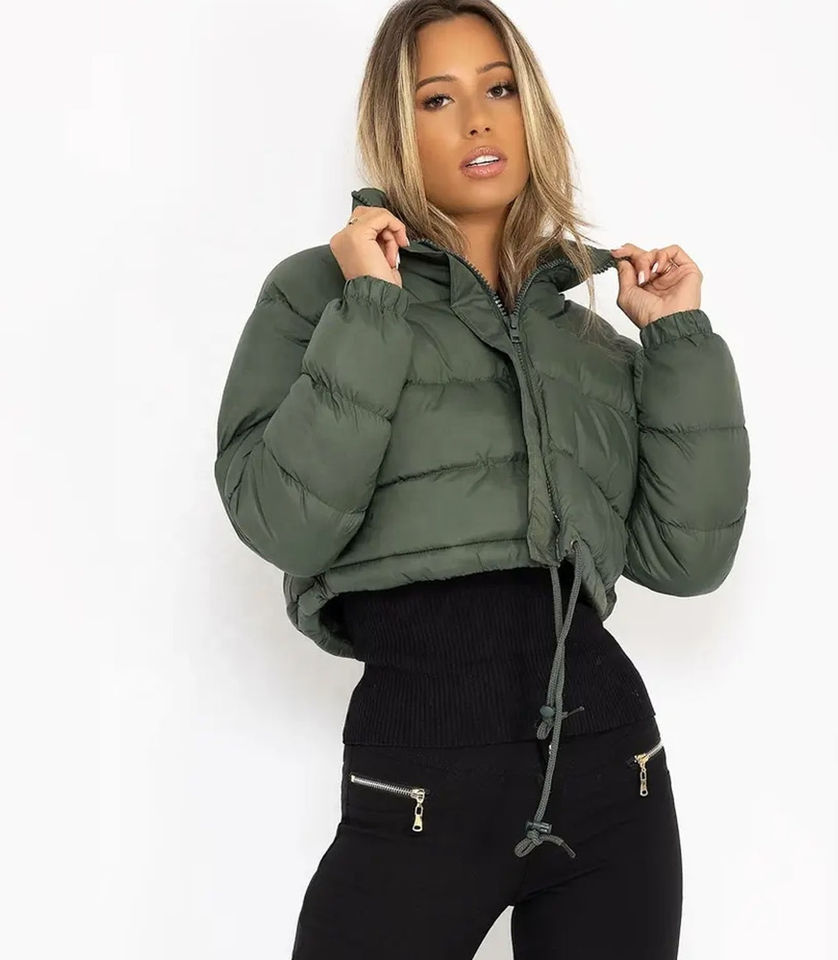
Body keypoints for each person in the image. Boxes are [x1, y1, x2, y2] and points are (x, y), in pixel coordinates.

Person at [213, 2, 750, 957]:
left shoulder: (584, 335)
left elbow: (686, 560)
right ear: (395, 124)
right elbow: (282, 525)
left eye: (498, 88)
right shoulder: (320, 294)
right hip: (419, 786)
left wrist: (676, 340)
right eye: (437, 98)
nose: (476, 119)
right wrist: (370, 308)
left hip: (612, 779)